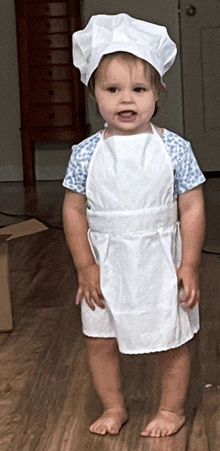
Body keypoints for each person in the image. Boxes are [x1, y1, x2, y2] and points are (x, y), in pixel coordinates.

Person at [62, 13, 206, 438]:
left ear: (158, 92)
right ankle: (113, 406)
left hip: (160, 260)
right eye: (112, 89)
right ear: (93, 93)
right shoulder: (86, 153)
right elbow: (74, 211)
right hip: (107, 264)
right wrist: (86, 266)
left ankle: (170, 409)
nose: (127, 100)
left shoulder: (175, 149)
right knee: (100, 339)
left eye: (139, 89)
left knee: (171, 338)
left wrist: (190, 263)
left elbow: (192, 207)